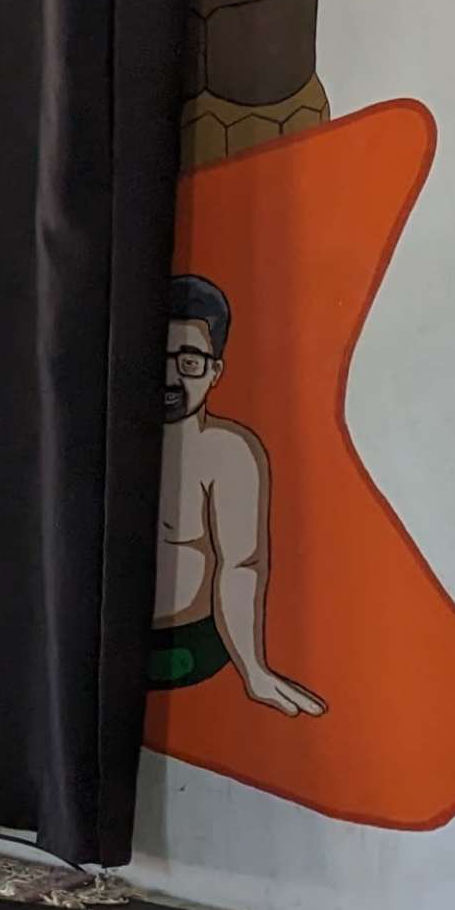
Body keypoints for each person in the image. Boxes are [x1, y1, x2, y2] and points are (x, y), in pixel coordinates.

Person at [152, 274, 325, 716]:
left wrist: (253, 669)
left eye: (189, 361)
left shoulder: (227, 451)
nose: (172, 374)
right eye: (160, 355)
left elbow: (241, 564)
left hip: (185, 648)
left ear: (214, 372)